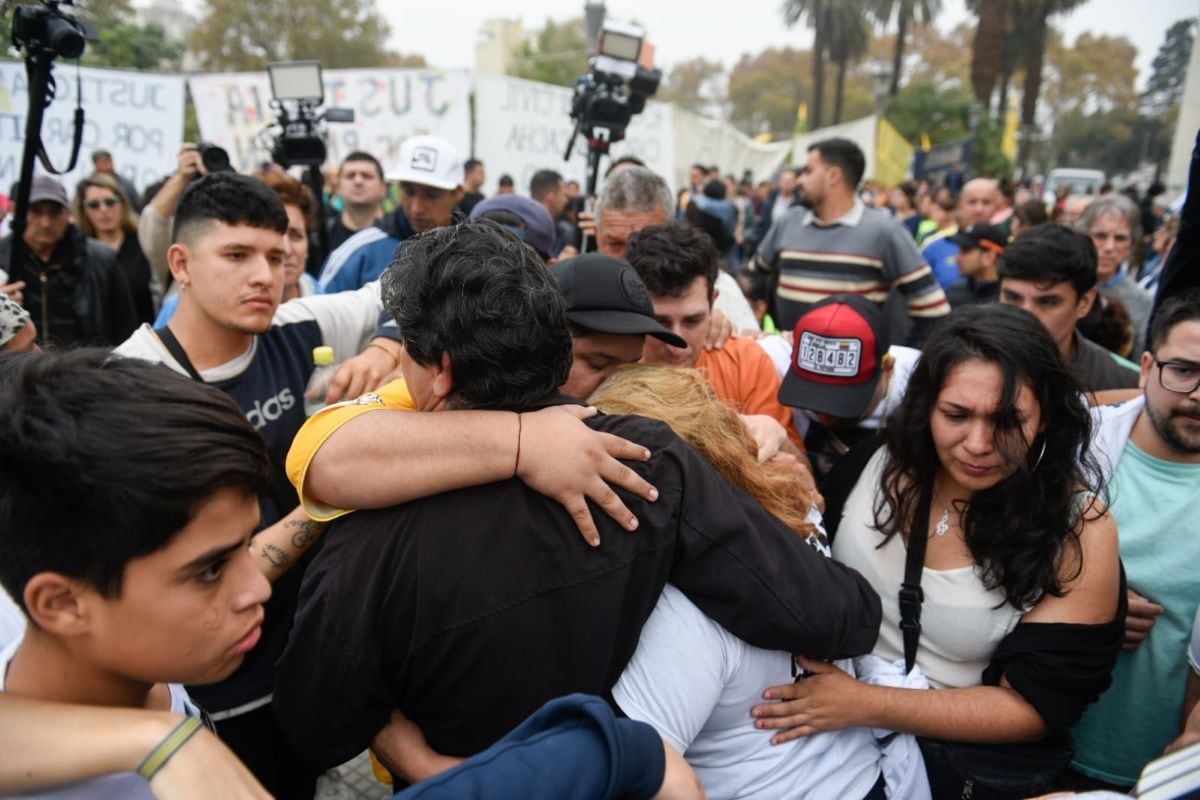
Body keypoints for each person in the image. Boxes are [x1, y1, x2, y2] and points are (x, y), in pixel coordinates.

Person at [272, 221, 880, 772]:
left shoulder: (362, 537)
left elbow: (315, 729)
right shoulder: (644, 461)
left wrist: (405, 745)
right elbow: (828, 613)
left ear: (441, 370)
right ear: (554, 346)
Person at [755, 305, 1125, 800]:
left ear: (1047, 419)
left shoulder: (1080, 529)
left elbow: (1033, 710)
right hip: (824, 745)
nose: (977, 444)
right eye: (956, 415)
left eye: (1007, 421)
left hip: (949, 770)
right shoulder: (879, 461)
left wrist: (866, 704)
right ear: (926, 405)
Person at [115, 171, 382, 797]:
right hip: (219, 686)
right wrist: (336, 498)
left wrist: (387, 348)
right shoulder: (131, 383)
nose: (266, 273)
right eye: (237, 255)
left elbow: (409, 283)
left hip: (314, 653)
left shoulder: (300, 326)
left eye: (277, 253)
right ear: (180, 263)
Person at [0, 349, 274, 799]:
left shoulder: (140, 658)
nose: (258, 587)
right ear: (63, 604)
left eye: (248, 544)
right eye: (209, 570)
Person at [1067, 289, 1200, 792]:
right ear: (1146, 367)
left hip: (1166, 769)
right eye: (1183, 370)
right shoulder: (1076, 447)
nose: (1198, 393)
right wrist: (1090, 605)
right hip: (1041, 739)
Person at [628, 221, 805, 454]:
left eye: (693, 321)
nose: (677, 344)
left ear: (713, 302)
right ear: (632, 307)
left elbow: (801, 479)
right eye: (659, 323)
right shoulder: (608, 363)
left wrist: (778, 437)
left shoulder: (747, 364)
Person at [753, 138, 949, 342]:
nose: (800, 180)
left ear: (833, 176)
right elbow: (753, 279)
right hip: (786, 363)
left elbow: (933, 309)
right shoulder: (788, 222)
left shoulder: (884, 231)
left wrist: (904, 361)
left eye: (808, 171)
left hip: (853, 371)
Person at [777, 294, 921, 486]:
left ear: (888, 368)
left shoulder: (921, 386)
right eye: (812, 398)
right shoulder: (776, 362)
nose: (826, 418)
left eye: (842, 403)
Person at [595, 166, 758, 333]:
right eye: (615, 244)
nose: (628, 258)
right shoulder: (574, 290)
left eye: (645, 243)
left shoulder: (717, 291)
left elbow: (752, 347)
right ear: (596, 234)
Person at [154, 172, 321, 327]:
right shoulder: (179, 310)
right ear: (181, 263)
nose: (287, 249)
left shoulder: (323, 300)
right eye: (237, 256)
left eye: (295, 235)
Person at [997, 222, 1140, 392]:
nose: (1026, 314)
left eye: (1047, 302)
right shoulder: (964, 363)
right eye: (1013, 298)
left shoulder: (1124, 385)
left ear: (1084, 303)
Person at [0, 174, 137, 348]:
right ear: (16, 211)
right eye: (36, 211)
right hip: (18, 371)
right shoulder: (3, 261)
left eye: (54, 212)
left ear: (68, 213)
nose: (45, 223)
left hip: (85, 370)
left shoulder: (101, 261)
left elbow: (126, 332)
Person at [318, 134, 464, 294]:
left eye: (431, 195)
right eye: (408, 192)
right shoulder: (358, 252)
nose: (416, 208)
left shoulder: (477, 250)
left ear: (458, 193)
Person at [74, 172, 157, 324]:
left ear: (122, 204)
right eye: (94, 205)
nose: (103, 210)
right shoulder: (79, 253)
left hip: (146, 339)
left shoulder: (144, 242)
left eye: (110, 202)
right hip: (99, 345)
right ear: (83, 210)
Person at [1079, 195, 1153, 357]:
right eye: (1100, 236)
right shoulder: (1065, 289)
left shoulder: (1144, 304)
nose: (1109, 247)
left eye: (1120, 238)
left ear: (1131, 244)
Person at [327, 150, 388, 253]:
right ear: (338, 187)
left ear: (383, 188)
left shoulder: (400, 236)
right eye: (350, 176)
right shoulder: (324, 236)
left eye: (367, 176)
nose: (358, 181)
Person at [944, 223, 1006, 308]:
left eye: (965, 251)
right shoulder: (953, 295)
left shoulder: (1008, 299)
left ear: (989, 257)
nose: (957, 258)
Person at [920, 194, 961, 288]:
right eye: (932, 210)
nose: (933, 213)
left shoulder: (960, 233)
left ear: (948, 212)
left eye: (937, 210)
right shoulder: (929, 237)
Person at [755, 166, 802, 242]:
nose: (786, 183)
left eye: (789, 180)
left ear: (795, 183)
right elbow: (763, 226)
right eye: (784, 180)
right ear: (779, 182)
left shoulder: (800, 203)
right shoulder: (770, 201)